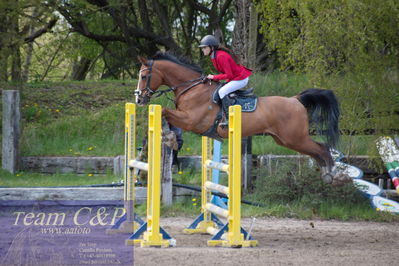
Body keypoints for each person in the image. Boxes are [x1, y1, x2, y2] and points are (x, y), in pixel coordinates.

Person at [198, 35, 252, 125]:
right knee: (219, 89)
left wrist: (214, 77)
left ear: (211, 47)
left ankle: (227, 118)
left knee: (222, 92)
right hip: (234, 78)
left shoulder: (220, 56)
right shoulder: (214, 56)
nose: (203, 50)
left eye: (204, 47)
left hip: (241, 78)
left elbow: (228, 74)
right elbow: (227, 74)